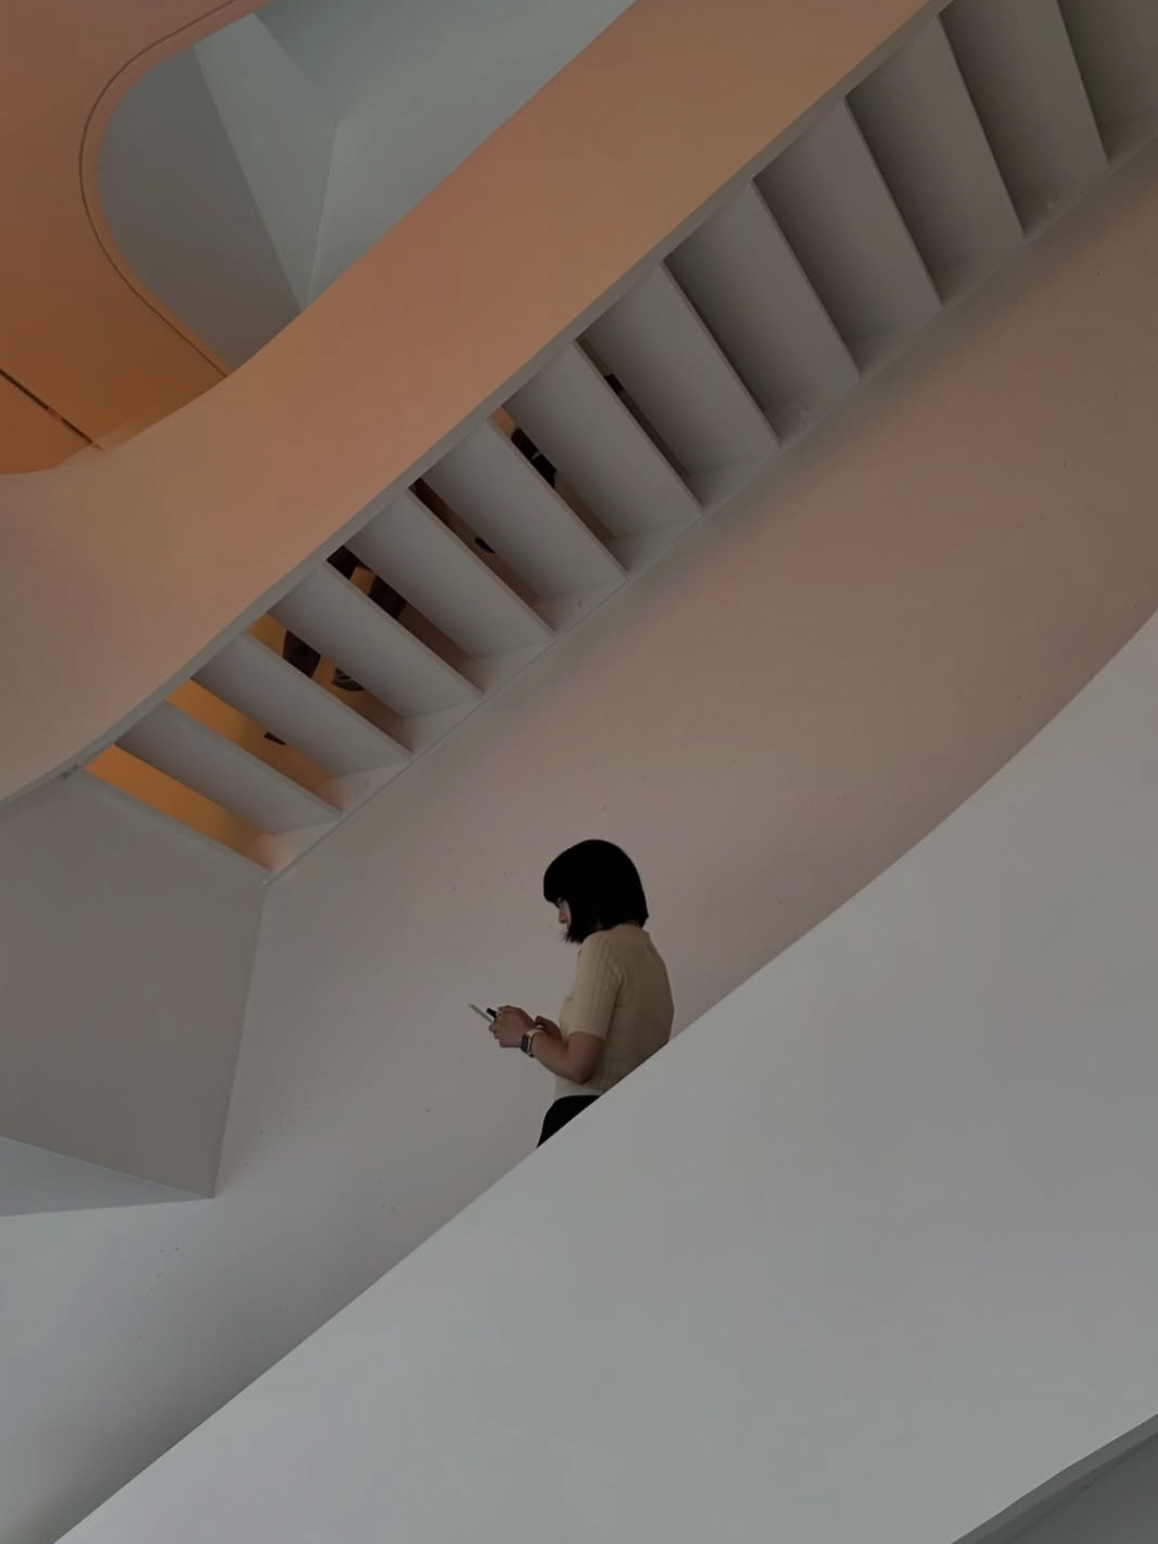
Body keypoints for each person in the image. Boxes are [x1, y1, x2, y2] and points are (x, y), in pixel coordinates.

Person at [491, 841, 674, 1145]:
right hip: (633, 1123)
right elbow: (616, 1057)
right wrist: (556, 1039)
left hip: (581, 1120)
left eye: (561, 903)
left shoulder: (602, 946)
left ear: (587, 891)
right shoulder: (651, 957)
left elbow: (579, 1068)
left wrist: (526, 1037)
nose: (561, 918)